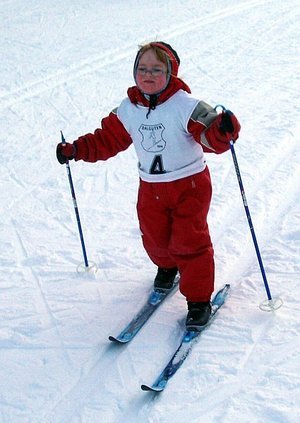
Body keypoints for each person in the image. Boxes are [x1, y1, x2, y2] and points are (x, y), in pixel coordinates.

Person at [56, 41, 240, 330]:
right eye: (142, 69)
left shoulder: (186, 105)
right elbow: (107, 140)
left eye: (156, 69)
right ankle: (167, 266)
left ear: (170, 73)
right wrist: (76, 150)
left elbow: (209, 135)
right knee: (154, 236)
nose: (148, 75)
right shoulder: (128, 109)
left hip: (189, 185)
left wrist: (222, 130)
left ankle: (198, 301)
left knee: (189, 241)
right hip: (151, 186)